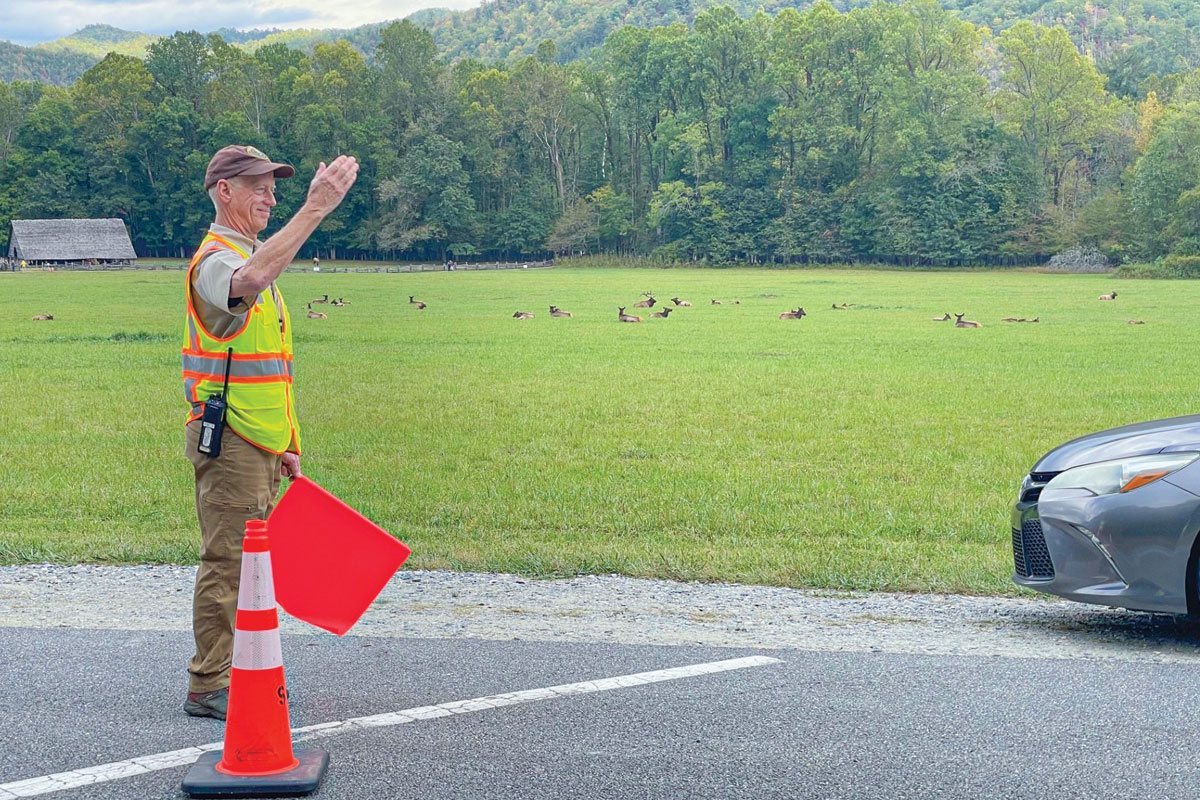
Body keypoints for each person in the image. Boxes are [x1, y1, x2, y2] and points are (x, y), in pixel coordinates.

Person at [182, 144, 358, 719]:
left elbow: (268, 363)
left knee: (249, 564)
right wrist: (314, 211)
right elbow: (247, 281)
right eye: (257, 185)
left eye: (274, 185)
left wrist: (286, 442)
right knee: (228, 561)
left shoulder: (252, 253)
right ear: (224, 191)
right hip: (230, 439)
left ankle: (238, 674)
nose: (270, 195)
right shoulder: (216, 260)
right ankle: (210, 684)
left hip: (257, 441)